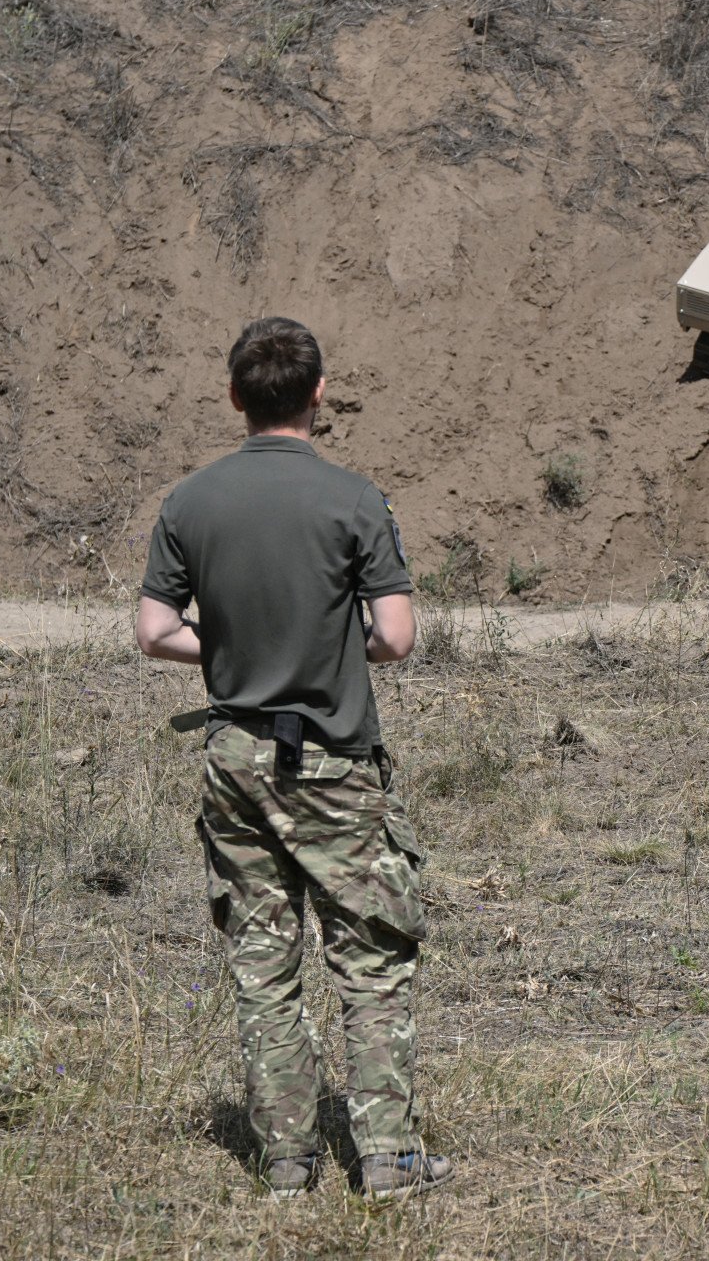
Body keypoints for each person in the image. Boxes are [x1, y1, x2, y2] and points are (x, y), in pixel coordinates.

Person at [135, 317, 450, 1202]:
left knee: (263, 963)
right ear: (319, 393)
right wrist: (326, 647)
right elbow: (395, 636)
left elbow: (156, 630)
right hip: (334, 761)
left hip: (235, 759)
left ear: (235, 396)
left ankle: (287, 1162)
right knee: (372, 956)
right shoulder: (355, 501)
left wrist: (235, 647)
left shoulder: (189, 503)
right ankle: (388, 1160)